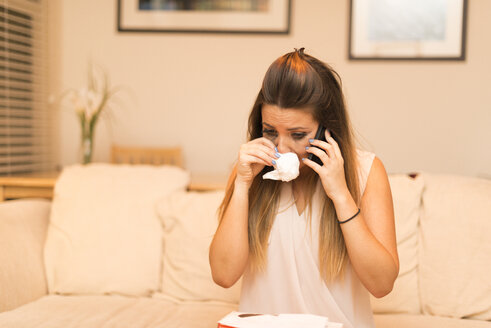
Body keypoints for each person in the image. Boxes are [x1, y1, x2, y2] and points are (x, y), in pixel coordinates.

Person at [209, 48, 399, 328]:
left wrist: (340, 195)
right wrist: (241, 185)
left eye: (298, 135)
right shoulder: (249, 172)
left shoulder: (367, 171)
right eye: (270, 131)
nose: (281, 148)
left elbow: (382, 284)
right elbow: (223, 275)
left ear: (327, 129)